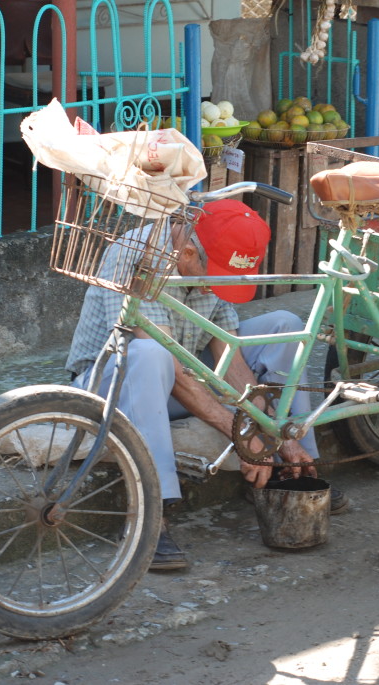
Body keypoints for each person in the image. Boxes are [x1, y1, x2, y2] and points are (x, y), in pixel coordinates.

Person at [66, 198, 348, 570]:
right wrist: (243, 437)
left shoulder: (208, 259)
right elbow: (175, 374)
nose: (211, 287)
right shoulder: (136, 258)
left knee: (284, 325)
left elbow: (230, 356)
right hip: (114, 383)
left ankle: (293, 471)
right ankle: (150, 516)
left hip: (180, 374)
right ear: (184, 252)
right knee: (152, 355)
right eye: (210, 273)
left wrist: (271, 433)